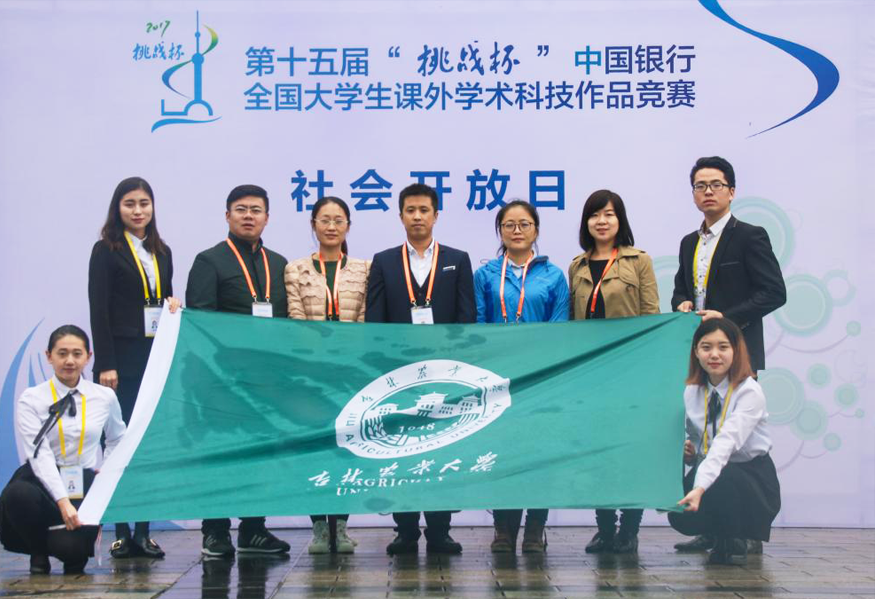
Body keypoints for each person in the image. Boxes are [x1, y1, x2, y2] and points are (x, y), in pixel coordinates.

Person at [670, 156, 786, 553]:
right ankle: (714, 527)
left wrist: (726, 320)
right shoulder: (689, 242)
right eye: (700, 186)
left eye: (716, 185)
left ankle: (745, 531)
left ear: (732, 191)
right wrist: (682, 303)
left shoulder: (750, 236)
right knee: (706, 435)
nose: (708, 192)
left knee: (735, 442)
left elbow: (774, 292)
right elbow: (681, 288)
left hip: (737, 354)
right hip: (702, 356)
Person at [365, 183, 476, 555]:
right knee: (403, 451)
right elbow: (375, 322)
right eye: (410, 210)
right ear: (400, 216)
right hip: (399, 376)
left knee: (441, 449)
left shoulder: (457, 259)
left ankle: (441, 531)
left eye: (424, 210)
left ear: (436, 215)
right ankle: (406, 531)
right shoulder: (383, 261)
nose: (417, 216)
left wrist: (457, 369)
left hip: (445, 375)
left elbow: (466, 319)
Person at [186, 184, 290, 558]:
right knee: (221, 454)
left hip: (265, 381)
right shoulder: (209, 261)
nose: (249, 216)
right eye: (241, 209)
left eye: (256, 210)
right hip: (222, 382)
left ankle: (253, 530)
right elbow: (200, 323)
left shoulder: (279, 264)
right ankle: (215, 531)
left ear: (267, 217)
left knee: (260, 453)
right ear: (227, 215)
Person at [88, 176, 181, 559]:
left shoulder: (162, 251)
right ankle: (121, 532)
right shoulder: (105, 250)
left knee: (147, 445)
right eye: (130, 204)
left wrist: (173, 305)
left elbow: (163, 299)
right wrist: (106, 363)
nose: (138, 210)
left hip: (154, 359)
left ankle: (143, 532)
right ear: (118, 209)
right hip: (119, 363)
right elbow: (98, 309)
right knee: (118, 444)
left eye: (144, 203)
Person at [474, 200, 568, 553]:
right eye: (509, 224)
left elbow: (559, 326)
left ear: (536, 230)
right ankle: (503, 528)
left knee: (540, 452)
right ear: (500, 231)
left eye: (524, 224)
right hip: (497, 378)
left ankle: (535, 529)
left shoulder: (554, 275)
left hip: (541, 379)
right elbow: (477, 325)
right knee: (502, 452)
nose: (517, 230)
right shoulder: (485, 274)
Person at [567, 189, 659, 554]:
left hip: (630, 372)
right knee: (598, 452)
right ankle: (604, 529)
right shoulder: (576, 266)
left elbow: (651, 315)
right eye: (594, 215)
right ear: (586, 222)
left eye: (609, 214)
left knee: (631, 450)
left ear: (620, 220)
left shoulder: (639, 261)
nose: (601, 221)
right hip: (592, 375)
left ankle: (629, 530)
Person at [0, 326, 126, 574]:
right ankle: (37, 552)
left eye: (77, 354)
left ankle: (73, 553)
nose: (69, 361)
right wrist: (63, 501)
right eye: (62, 353)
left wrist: (107, 472)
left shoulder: (104, 396)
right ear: (49, 356)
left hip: (82, 479)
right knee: (17, 495)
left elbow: (117, 438)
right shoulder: (32, 398)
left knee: (72, 551)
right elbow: (40, 455)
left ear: (88, 357)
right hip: (40, 478)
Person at [284, 196, 370, 554]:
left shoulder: (364, 269)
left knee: (348, 449)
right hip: (310, 376)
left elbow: (365, 320)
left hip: (351, 376)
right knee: (315, 449)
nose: (331, 226)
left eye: (338, 220)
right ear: (313, 225)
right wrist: (316, 360)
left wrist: (348, 360)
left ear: (348, 225)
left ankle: (343, 526)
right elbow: (296, 319)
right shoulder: (295, 269)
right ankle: (319, 527)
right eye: (324, 220)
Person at [668, 318, 781, 565]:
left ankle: (737, 538)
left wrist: (699, 489)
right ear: (695, 352)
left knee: (722, 475)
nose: (714, 355)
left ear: (736, 351)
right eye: (706, 347)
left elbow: (725, 443)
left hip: (752, 478)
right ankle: (717, 533)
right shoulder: (692, 391)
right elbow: (700, 440)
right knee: (679, 512)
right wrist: (691, 454)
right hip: (714, 469)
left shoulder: (749, 391)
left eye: (723, 347)